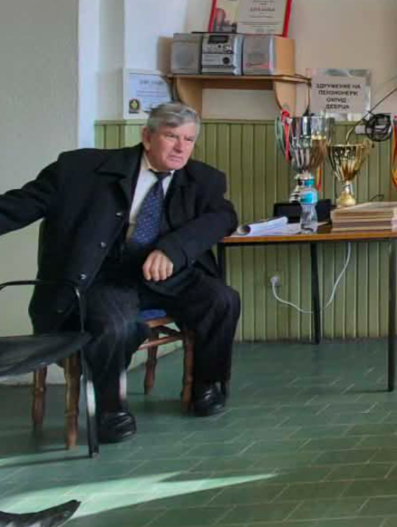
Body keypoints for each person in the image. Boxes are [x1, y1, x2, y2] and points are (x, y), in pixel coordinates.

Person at [0, 102, 241, 444]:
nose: (180, 148)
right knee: (116, 325)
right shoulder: (80, 169)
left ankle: (206, 385)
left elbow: (223, 217)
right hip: (106, 275)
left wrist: (174, 249)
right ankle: (110, 409)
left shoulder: (203, 179)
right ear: (147, 137)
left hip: (165, 273)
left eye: (188, 140)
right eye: (171, 136)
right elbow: (17, 206)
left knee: (222, 300)